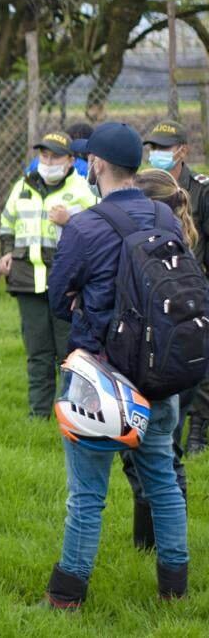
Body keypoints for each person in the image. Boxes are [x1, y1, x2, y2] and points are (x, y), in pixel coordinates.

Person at [46, 122, 188, 606]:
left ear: (98, 165)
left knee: (87, 493)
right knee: (162, 480)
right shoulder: (166, 218)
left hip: (101, 376)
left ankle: (67, 595)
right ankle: (174, 589)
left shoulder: (84, 226)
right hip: (160, 370)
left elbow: (57, 301)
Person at [119, 168, 196, 553]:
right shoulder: (181, 239)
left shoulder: (160, 246)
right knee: (163, 450)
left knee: (158, 454)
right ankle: (153, 544)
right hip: (184, 360)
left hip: (164, 361)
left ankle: (161, 545)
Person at [0, 131, 98, 418]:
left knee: (69, 354)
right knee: (37, 353)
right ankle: (38, 414)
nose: (48, 161)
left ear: (69, 160)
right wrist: (6, 251)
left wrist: (71, 221)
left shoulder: (83, 189)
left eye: (55, 156)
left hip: (66, 284)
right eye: (44, 155)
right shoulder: (22, 186)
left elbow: (97, 232)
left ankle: (71, 412)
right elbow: (7, 223)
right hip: (27, 281)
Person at [143, 119, 209, 455]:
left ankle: (198, 428)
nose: (156, 154)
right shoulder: (147, 185)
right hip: (157, 287)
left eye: (163, 148)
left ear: (182, 150)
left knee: (198, 359)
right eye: (152, 148)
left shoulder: (201, 189)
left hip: (194, 287)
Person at [27, 122, 93, 178]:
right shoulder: (86, 168)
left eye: (56, 157)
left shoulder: (36, 162)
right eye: (45, 155)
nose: (48, 162)